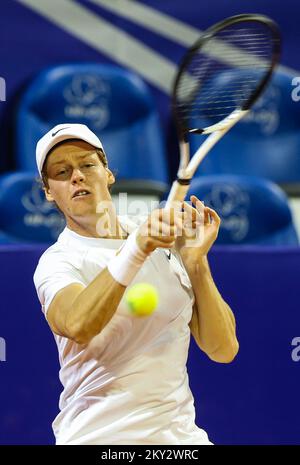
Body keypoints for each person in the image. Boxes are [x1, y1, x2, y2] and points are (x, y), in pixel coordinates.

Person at [33, 123, 239, 445]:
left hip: (181, 440)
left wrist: (197, 264)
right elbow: (77, 324)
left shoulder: (159, 240)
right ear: (48, 191)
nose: (77, 176)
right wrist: (137, 248)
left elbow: (223, 349)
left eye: (87, 164)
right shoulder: (58, 261)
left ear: (108, 173)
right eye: (61, 172)